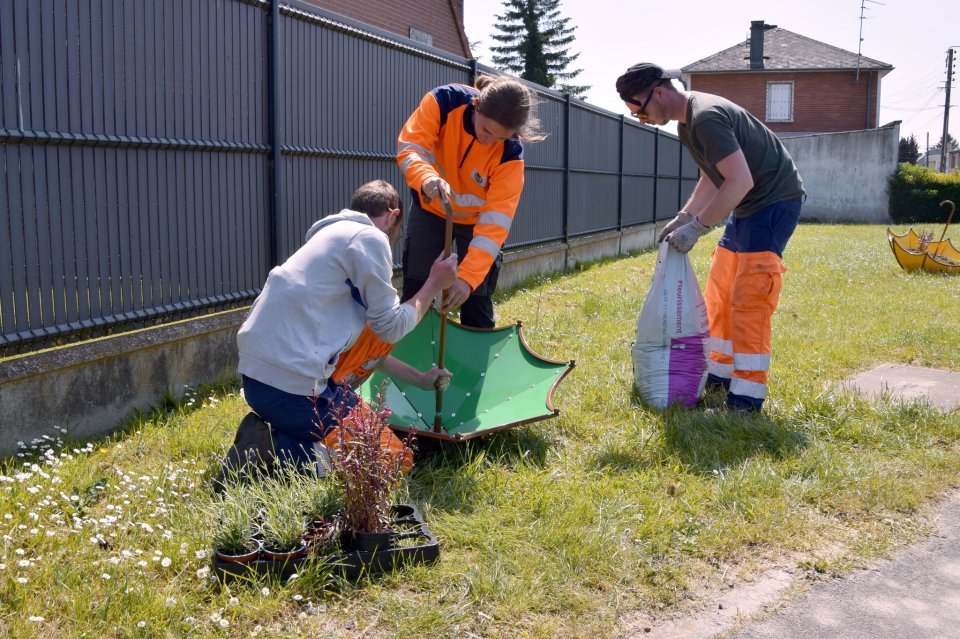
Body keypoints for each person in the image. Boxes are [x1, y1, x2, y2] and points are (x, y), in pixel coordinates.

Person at [225, 180, 458, 478]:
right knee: (389, 463)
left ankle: (280, 432)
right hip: (292, 389)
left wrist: (421, 380)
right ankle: (271, 446)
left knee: (369, 427)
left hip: (259, 380)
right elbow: (391, 328)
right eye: (396, 234)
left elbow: (374, 349)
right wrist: (433, 284)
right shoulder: (370, 238)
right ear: (392, 216)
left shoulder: (329, 239)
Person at [615, 63, 805, 412]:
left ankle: (745, 401)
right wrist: (685, 216)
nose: (642, 121)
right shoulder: (688, 124)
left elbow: (740, 182)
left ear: (658, 93)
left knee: (748, 300)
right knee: (720, 291)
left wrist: (699, 227)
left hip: (773, 203)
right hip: (748, 205)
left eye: (640, 112)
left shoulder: (705, 117)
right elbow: (712, 177)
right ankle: (720, 377)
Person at [396, 75, 544, 328]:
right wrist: (426, 178)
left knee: (476, 298)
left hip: (476, 224)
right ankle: (409, 361)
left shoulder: (511, 154)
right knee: (416, 287)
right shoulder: (443, 101)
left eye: (500, 138)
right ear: (476, 105)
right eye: (486, 130)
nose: (489, 141)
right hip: (429, 209)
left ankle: (474, 364)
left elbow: (495, 223)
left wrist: (467, 279)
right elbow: (411, 148)